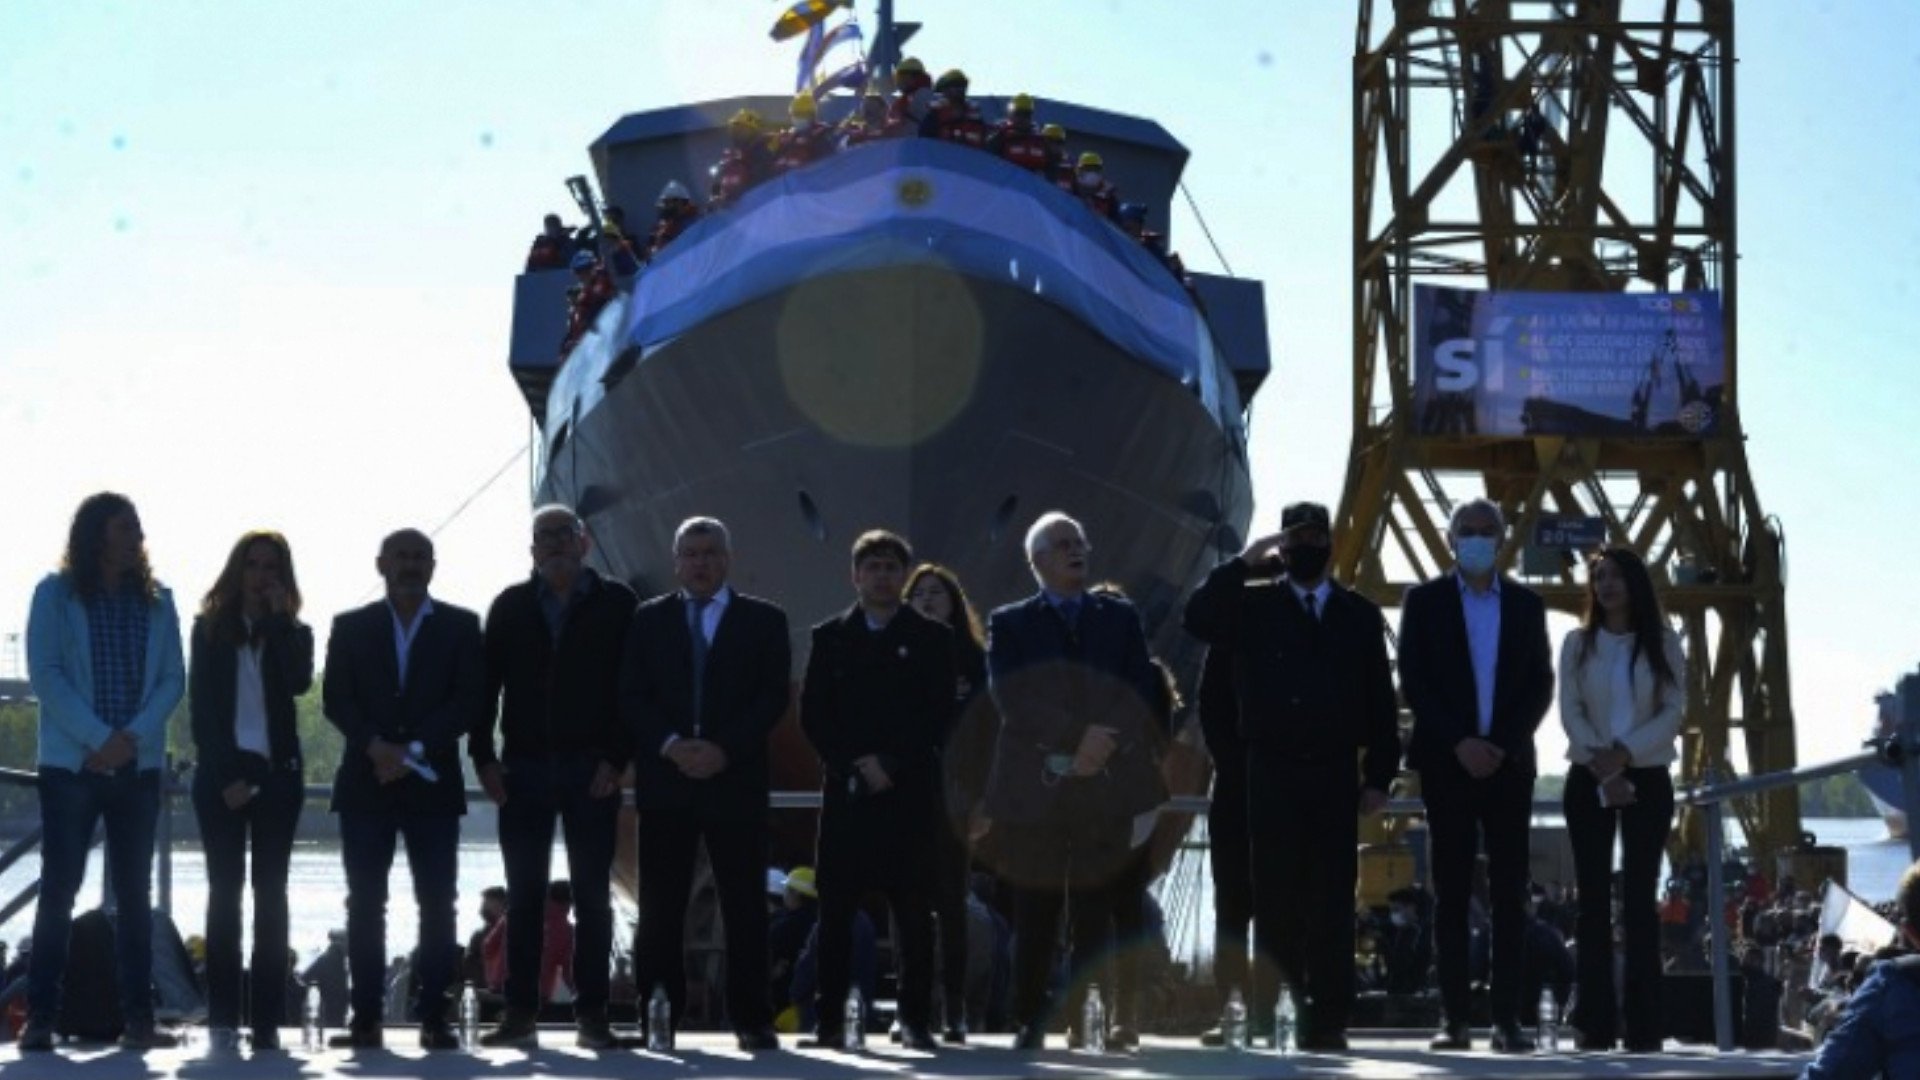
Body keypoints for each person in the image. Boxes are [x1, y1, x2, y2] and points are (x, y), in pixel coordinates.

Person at [1182, 500, 1398, 1052]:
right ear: (1283, 544)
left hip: (1332, 769)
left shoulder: (1357, 615)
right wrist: (1243, 562)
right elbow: (1197, 618)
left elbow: (1380, 700)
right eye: (1296, 538)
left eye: (1316, 537)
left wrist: (1379, 774)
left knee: (1330, 898)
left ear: (1330, 543)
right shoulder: (1252, 609)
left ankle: (1328, 1020)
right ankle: (1270, 1011)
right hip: (1269, 769)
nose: (1308, 547)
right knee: (1272, 898)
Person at [985, 512, 1165, 1051]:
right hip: (1039, 788)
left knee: (1097, 909)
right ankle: (1029, 1017)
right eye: (1062, 545)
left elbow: (1138, 684)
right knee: (1035, 910)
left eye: (1080, 541)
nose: (1076, 551)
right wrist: (1076, 739)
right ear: (1037, 561)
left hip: (1106, 783)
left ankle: (1094, 1018)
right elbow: (1011, 697)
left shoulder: (1120, 617)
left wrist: (1102, 743)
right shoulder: (1010, 622)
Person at [20, 493, 186, 1052]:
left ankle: (139, 1017)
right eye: (125, 526)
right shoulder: (54, 594)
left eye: (139, 526)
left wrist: (129, 741)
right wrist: (98, 739)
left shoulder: (160, 601)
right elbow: (46, 674)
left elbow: (172, 680)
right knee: (59, 890)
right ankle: (40, 1015)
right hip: (72, 767)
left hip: (135, 768)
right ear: (95, 535)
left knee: (135, 896)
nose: (137, 535)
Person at [619, 517, 788, 1051]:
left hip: (734, 782)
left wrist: (723, 749)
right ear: (676, 561)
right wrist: (672, 746)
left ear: (728, 559)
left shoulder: (765, 620)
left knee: (745, 907)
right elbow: (632, 694)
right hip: (667, 783)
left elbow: (771, 697)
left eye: (710, 552)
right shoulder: (648, 620)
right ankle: (658, 1015)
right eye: (690, 553)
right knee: (661, 908)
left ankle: (752, 1019)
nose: (700, 562)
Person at [474, 504, 635, 1049]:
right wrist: (483, 758)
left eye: (564, 534)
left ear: (584, 542)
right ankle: (519, 1013)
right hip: (523, 767)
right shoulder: (510, 607)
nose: (555, 544)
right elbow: (484, 690)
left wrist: (617, 759)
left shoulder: (618, 604)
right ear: (532, 549)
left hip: (592, 768)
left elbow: (632, 690)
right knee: (524, 898)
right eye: (544, 537)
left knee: (592, 897)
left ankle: (593, 1016)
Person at [1398, 499, 1554, 1053]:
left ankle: (1508, 1021)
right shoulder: (1423, 601)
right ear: (1451, 538)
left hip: (1508, 767)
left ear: (1505, 538)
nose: (1479, 539)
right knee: (1452, 892)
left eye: (1489, 530)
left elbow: (1541, 682)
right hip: (1448, 763)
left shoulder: (1528, 605)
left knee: (1511, 894)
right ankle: (1454, 1019)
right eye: (1469, 530)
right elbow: (1413, 680)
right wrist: (1459, 742)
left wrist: (1501, 744)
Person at [322, 528, 484, 1050]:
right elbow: (337, 698)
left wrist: (409, 751)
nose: (410, 566)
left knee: (439, 904)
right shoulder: (350, 626)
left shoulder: (461, 626)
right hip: (366, 784)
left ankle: (434, 1017)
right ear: (381, 564)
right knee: (365, 905)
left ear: (433, 566)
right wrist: (376, 748)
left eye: (419, 558)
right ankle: (365, 1018)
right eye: (401, 557)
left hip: (431, 788)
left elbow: (469, 702)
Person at [797, 531, 951, 1050]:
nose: (882, 576)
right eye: (872, 567)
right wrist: (853, 765)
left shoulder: (933, 639)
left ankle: (914, 1019)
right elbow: (814, 714)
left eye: (891, 567)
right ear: (855, 576)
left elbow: (939, 715)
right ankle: (829, 1022)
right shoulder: (830, 637)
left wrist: (892, 762)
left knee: (912, 912)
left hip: (907, 794)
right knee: (836, 911)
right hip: (848, 793)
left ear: (903, 576)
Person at [188, 530, 313, 1050]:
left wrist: (281, 621)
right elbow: (202, 712)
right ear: (237, 570)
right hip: (223, 777)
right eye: (254, 565)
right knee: (224, 898)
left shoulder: (295, 632)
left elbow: (300, 683)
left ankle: (265, 1021)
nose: (262, 575)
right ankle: (221, 1014)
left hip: (278, 776)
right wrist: (227, 778)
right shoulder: (208, 630)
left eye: (272, 567)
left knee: (271, 898)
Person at [1558, 545, 1685, 1052]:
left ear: (1636, 583)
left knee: (1639, 901)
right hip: (1588, 776)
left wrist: (1626, 756)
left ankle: (1644, 1026)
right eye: (1599, 576)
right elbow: (1569, 708)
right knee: (1591, 902)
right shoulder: (1576, 643)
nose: (1607, 585)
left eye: (1616, 576)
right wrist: (1602, 766)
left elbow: (1674, 711)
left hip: (1647, 777)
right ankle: (1594, 1023)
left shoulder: (1664, 643)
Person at [904, 562, 993, 1043]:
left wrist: (985, 801)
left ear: (955, 603)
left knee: (952, 903)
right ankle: (912, 1008)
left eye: (938, 592)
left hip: (956, 796)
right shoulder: (895, 655)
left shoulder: (975, 662)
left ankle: (954, 1007)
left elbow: (989, 735)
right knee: (908, 905)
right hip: (905, 795)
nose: (929, 600)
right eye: (919, 595)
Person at [1193, 644, 1253, 1045]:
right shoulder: (1231, 634)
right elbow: (1210, 705)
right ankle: (1234, 1010)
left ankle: (1275, 1006)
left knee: (1286, 907)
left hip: (1286, 787)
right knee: (1231, 907)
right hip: (1237, 792)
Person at [709, 108, 774, 210]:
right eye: (735, 130)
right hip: (736, 213)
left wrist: (736, 193)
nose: (737, 134)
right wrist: (715, 196)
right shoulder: (732, 155)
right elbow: (717, 180)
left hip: (758, 208)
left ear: (753, 131)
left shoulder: (762, 151)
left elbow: (761, 177)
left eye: (741, 130)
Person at [559, 250, 616, 356]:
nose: (583, 274)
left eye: (586, 269)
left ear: (593, 266)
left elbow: (601, 296)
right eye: (579, 271)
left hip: (613, 329)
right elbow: (581, 315)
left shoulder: (603, 278)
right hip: (597, 344)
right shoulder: (585, 293)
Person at [986, 93, 1053, 177]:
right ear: (1011, 114)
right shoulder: (1000, 137)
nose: (1022, 118)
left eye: (1026, 114)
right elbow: (987, 162)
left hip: (1031, 188)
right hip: (1005, 185)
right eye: (1018, 113)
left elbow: (1051, 172)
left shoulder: (1040, 142)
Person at [774, 94, 836, 175]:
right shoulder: (790, 138)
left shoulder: (822, 136)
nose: (797, 118)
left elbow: (829, 165)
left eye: (802, 115)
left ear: (812, 116)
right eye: (795, 114)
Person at [923, 69, 986, 148]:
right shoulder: (934, 116)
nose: (960, 89)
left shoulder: (975, 117)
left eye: (962, 85)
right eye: (955, 86)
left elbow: (984, 144)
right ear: (944, 90)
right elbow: (925, 145)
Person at [463, 886, 507, 994]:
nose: (483, 907)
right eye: (483, 903)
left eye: (488, 902)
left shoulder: (511, 932)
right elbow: (468, 965)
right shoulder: (480, 935)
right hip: (482, 988)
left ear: (501, 904)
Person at [646, 181, 701, 263]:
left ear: (679, 202)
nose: (665, 207)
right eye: (665, 203)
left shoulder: (691, 222)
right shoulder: (666, 224)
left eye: (668, 203)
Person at [1071, 152, 1120, 222]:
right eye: (1087, 168)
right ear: (1079, 170)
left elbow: (1115, 221)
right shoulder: (1071, 188)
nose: (1091, 173)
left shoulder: (1108, 195)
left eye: (1095, 169)